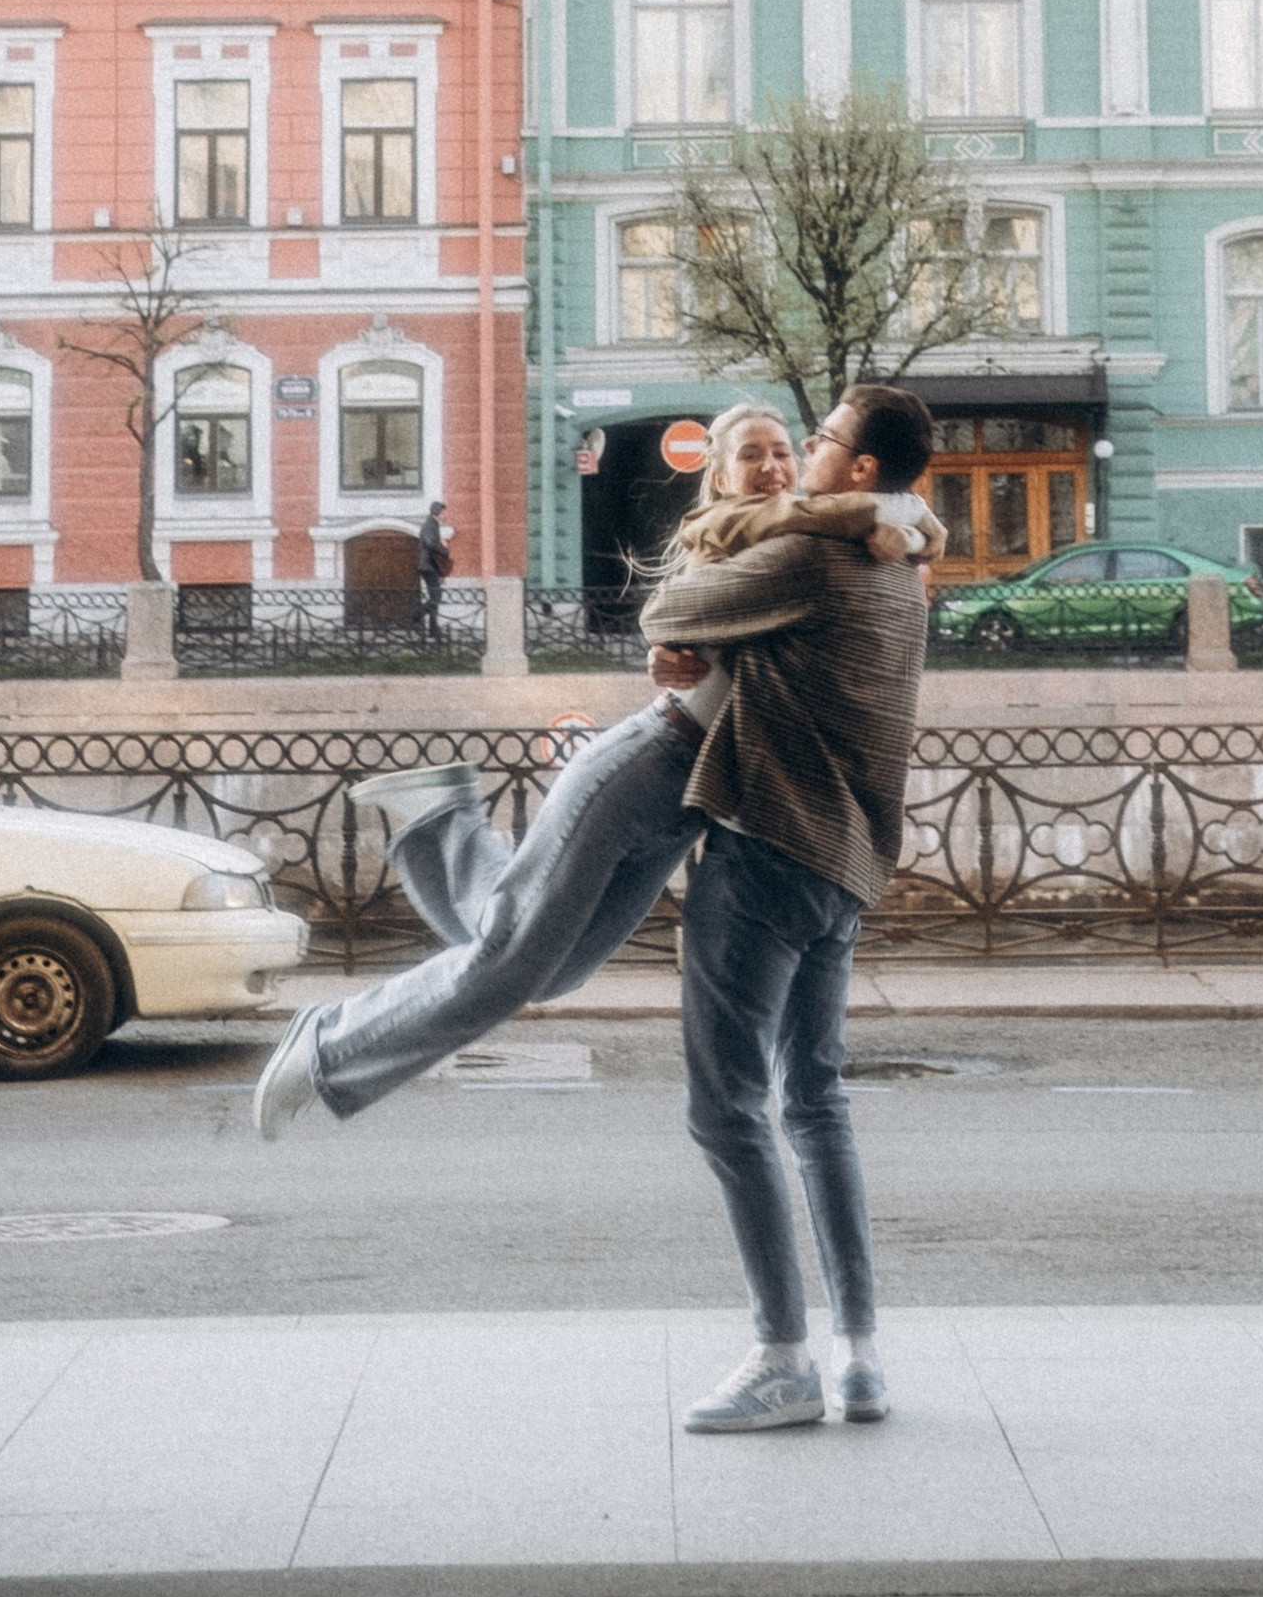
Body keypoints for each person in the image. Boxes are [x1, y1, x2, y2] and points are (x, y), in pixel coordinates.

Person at [252, 403, 936, 1138]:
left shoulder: (813, 529)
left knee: (553, 967)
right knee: (513, 955)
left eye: (783, 452)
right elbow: (679, 616)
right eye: (751, 457)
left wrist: (901, 526)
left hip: (690, 800)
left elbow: (911, 518)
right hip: (642, 766)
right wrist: (669, 645)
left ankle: (439, 817)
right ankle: (327, 1044)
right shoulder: (761, 537)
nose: (772, 467)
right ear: (722, 473)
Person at [638, 380, 937, 1439]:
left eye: (821, 442)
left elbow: (667, 610)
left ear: (859, 471)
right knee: (816, 1102)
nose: (804, 453)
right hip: (846, 865)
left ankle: (780, 1359)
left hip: (766, 846)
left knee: (726, 1109)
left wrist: (690, 645)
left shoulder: (814, 557)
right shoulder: (907, 566)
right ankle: (860, 1357)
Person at [415, 498, 453, 637]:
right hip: (428, 566)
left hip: (430, 566)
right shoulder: (429, 525)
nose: (445, 515)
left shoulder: (433, 524)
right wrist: (445, 551)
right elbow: (431, 543)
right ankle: (417, 616)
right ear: (437, 512)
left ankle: (432, 628)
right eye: (443, 512)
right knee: (436, 596)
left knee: (435, 596)